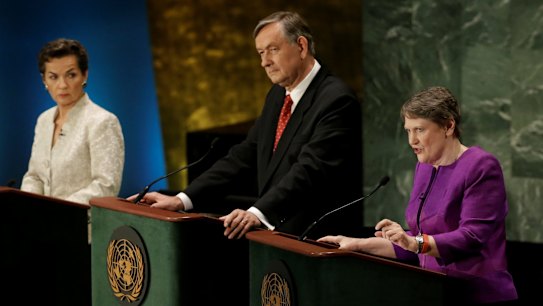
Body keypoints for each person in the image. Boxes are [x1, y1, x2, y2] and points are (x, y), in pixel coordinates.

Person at [128, 11, 363, 240]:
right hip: (279, 240)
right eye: (260, 53)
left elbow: (309, 170)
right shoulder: (277, 96)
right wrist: (182, 199)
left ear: (301, 46)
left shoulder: (336, 100)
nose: (264, 62)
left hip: (320, 242)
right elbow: (244, 155)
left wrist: (257, 213)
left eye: (272, 50)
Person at [318, 86, 518, 305]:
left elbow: (471, 237)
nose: (411, 140)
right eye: (408, 130)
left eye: (420, 130)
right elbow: (415, 243)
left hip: (477, 295)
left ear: (448, 126)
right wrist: (356, 245)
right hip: (433, 293)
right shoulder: (423, 168)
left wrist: (414, 243)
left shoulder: (480, 166)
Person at [21, 38, 125, 205]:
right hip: (40, 225)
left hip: (82, 225)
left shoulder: (103, 121)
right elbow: (35, 176)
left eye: (71, 75)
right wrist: (28, 208)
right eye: (53, 77)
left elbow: (106, 186)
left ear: (84, 75)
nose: (62, 85)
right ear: (44, 80)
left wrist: (57, 211)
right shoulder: (43, 120)